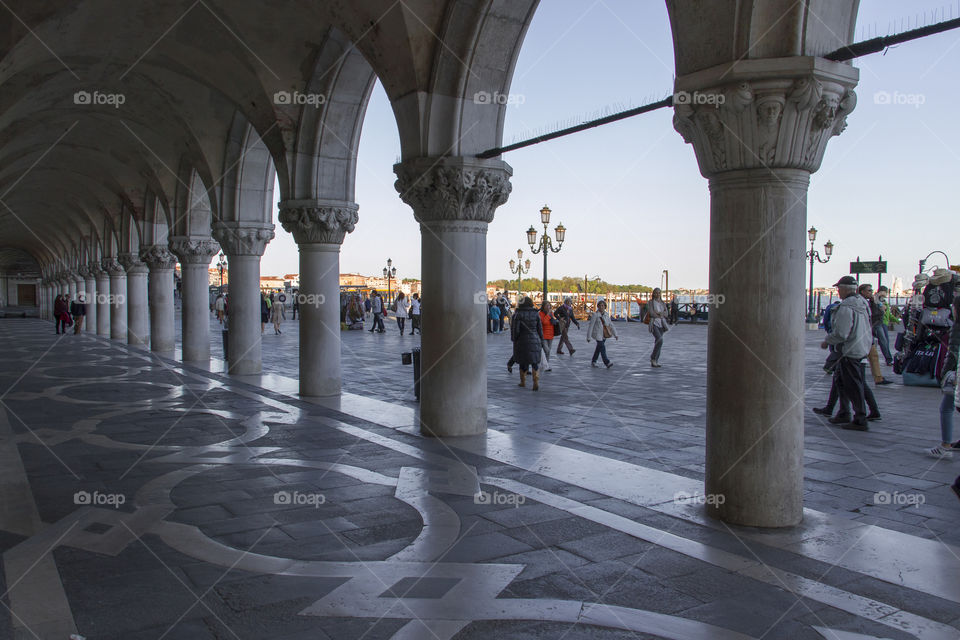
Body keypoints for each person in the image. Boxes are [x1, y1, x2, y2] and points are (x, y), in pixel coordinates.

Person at [821, 276, 873, 430]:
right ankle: (844, 412)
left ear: (844, 289)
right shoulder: (863, 304)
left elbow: (842, 333)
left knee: (852, 384)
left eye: (839, 289)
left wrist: (827, 341)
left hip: (848, 350)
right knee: (842, 381)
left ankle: (860, 418)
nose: (838, 292)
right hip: (860, 347)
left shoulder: (846, 308)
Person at [929, 279, 960, 457]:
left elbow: (954, 353)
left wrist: (944, 374)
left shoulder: (957, 327)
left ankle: (945, 446)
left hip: (955, 374)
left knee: (946, 408)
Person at [859, 284, 892, 386]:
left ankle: (878, 378)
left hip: (870, 329)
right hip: (866, 329)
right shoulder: (860, 302)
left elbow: (883, 308)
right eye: (869, 290)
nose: (871, 292)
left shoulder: (872, 300)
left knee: (873, 355)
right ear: (862, 292)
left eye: (871, 290)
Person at [510, 296, 543, 390]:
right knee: (534, 361)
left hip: (522, 340)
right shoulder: (535, 314)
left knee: (523, 361)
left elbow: (515, 330)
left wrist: (514, 339)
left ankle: (523, 381)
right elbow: (539, 328)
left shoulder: (518, 314)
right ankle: (535, 380)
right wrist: (541, 338)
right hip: (535, 338)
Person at [586, 299, 616, 368]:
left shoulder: (606, 315)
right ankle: (607, 362)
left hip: (604, 335)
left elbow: (611, 324)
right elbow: (591, 326)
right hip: (597, 335)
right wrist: (588, 337)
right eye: (600, 306)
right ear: (598, 307)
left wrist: (615, 334)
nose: (601, 307)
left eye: (603, 306)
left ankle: (594, 361)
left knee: (598, 348)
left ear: (605, 307)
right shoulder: (595, 315)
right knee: (602, 348)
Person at [646, 288, 668, 367]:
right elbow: (651, 313)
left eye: (659, 293)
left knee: (658, 342)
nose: (657, 294)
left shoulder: (663, 303)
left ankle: (655, 360)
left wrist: (660, 314)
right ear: (653, 294)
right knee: (660, 340)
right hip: (654, 323)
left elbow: (666, 313)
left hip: (662, 324)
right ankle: (653, 357)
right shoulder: (651, 302)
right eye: (656, 293)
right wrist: (660, 314)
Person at [875, 286, 894, 365]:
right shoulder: (876, 298)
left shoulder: (882, 300)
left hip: (883, 322)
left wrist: (896, 320)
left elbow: (888, 313)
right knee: (883, 341)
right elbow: (881, 308)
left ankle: (888, 359)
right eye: (886, 292)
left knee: (884, 341)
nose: (886, 294)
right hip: (878, 323)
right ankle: (889, 359)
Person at [538, 301, 556, 371]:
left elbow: (552, 322)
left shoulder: (551, 313)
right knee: (547, 350)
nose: (548, 307)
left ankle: (546, 365)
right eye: (547, 306)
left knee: (548, 351)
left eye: (549, 305)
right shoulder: (540, 314)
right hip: (543, 335)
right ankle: (543, 364)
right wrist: (548, 315)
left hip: (550, 334)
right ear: (543, 307)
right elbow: (544, 322)